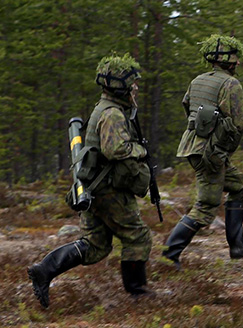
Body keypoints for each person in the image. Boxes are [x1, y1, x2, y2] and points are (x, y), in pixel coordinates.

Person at [28, 53, 153, 308]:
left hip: (94, 188)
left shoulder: (105, 108)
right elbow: (116, 150)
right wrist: (141, 151)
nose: (135, 88)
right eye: (131, 84)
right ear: (119, 86)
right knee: (137, 237)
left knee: (95, 245)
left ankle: (45, 269)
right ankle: (137, 293)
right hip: (110, 190)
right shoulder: (113, 114)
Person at [162, 34, 243, 267]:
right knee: (206, 205)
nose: (238, 62)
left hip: (195, 147)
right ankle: (169, 255)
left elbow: (187, 105)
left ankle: (238, 246)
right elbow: (240, 122)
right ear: (225, 60)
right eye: (234, 58)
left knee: (239, 186)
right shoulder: (231, 84)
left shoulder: (198, 80)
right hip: (210, 152)